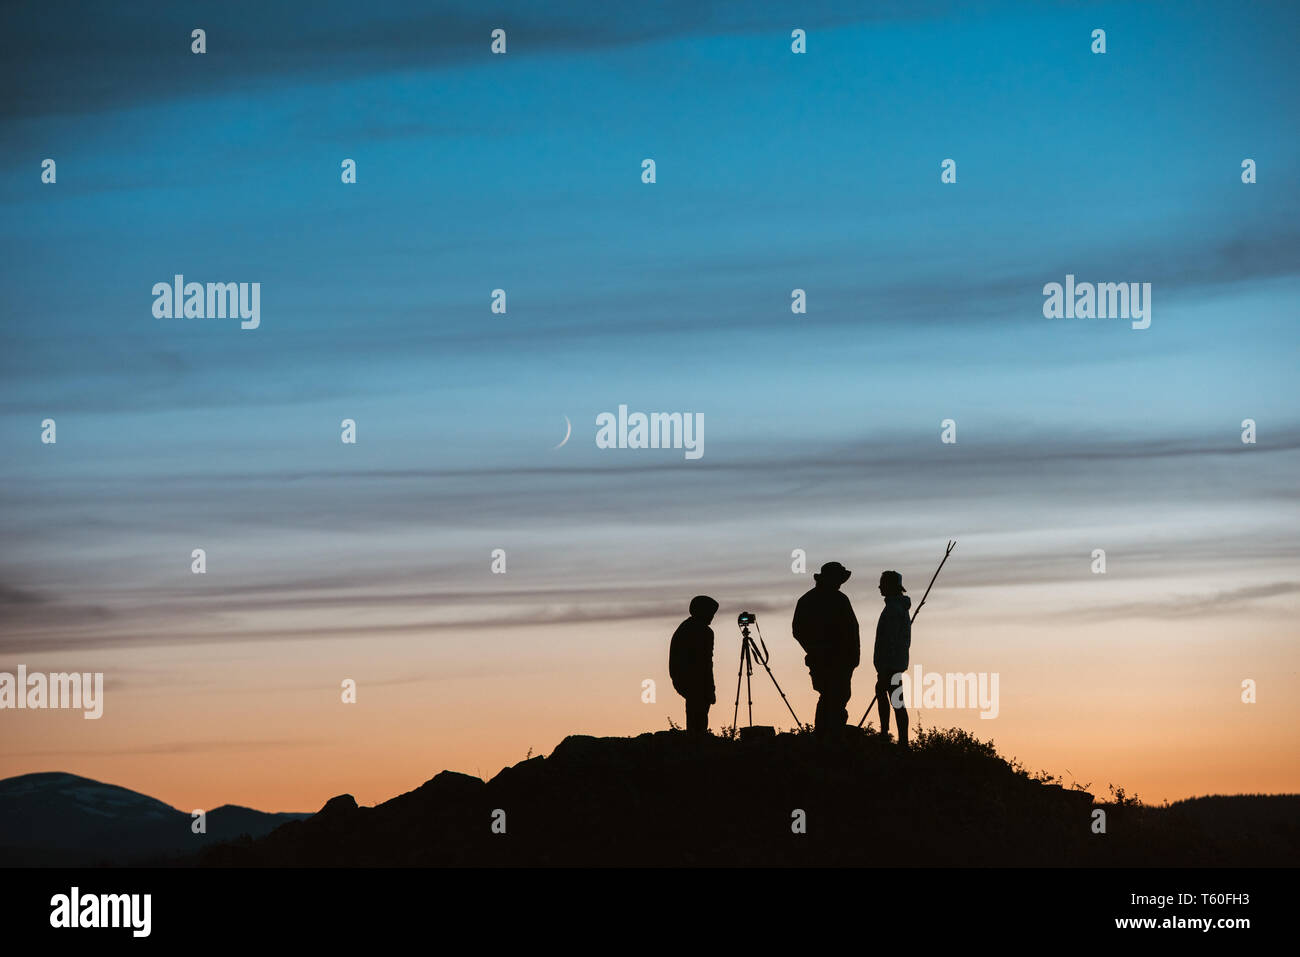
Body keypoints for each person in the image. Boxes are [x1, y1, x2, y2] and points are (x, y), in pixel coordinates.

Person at [792, 561, 860, 735]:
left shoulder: (809, 600)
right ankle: (829, 735)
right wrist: (818, 649)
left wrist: (814, 649)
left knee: (832, 696)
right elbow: (850, 630)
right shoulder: (838, 600)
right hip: (833, 660)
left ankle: (826, 733)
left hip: (831, 660)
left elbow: (798, 631)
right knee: (835, 697)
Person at [669, 596, 718, 734]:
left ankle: (694, 739)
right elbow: (705, 663)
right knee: (699, 717)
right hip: (695, 681)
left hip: (682, 679)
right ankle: (697, 743)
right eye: (710, 613)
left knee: (694, 715)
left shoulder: (685, 627)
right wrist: (710, 689)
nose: (712, 617)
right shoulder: (704, 632)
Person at [874, 570, 912, 748]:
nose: (880, 587)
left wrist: (884, 668)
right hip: (896, 663)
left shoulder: (893, 609)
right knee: (897, 701)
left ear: (890, 586)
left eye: (882, 583)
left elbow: (889, 640)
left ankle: (886, 734)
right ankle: (900, 739)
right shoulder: (899, 608)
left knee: (888, 696)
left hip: (889, 665)